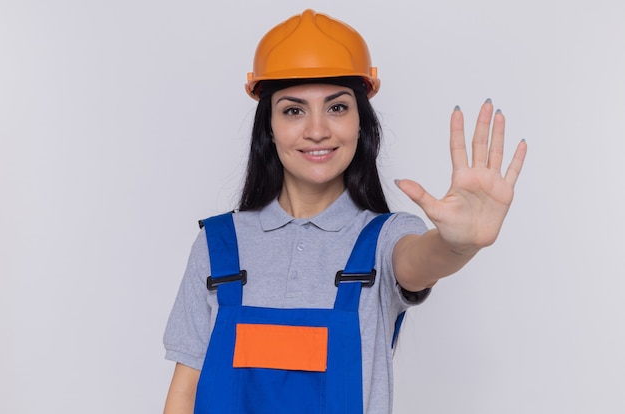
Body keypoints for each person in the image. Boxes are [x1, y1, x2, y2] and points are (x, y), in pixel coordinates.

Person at [162, 9, 527, 414]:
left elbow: (421, 259)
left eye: (337, 107)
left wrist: (458, 246)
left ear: (360, 123)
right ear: (268, 126)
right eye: (293, 110)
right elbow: (185, 392)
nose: (317, 130)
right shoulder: (217, 245)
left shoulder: (385, 239)